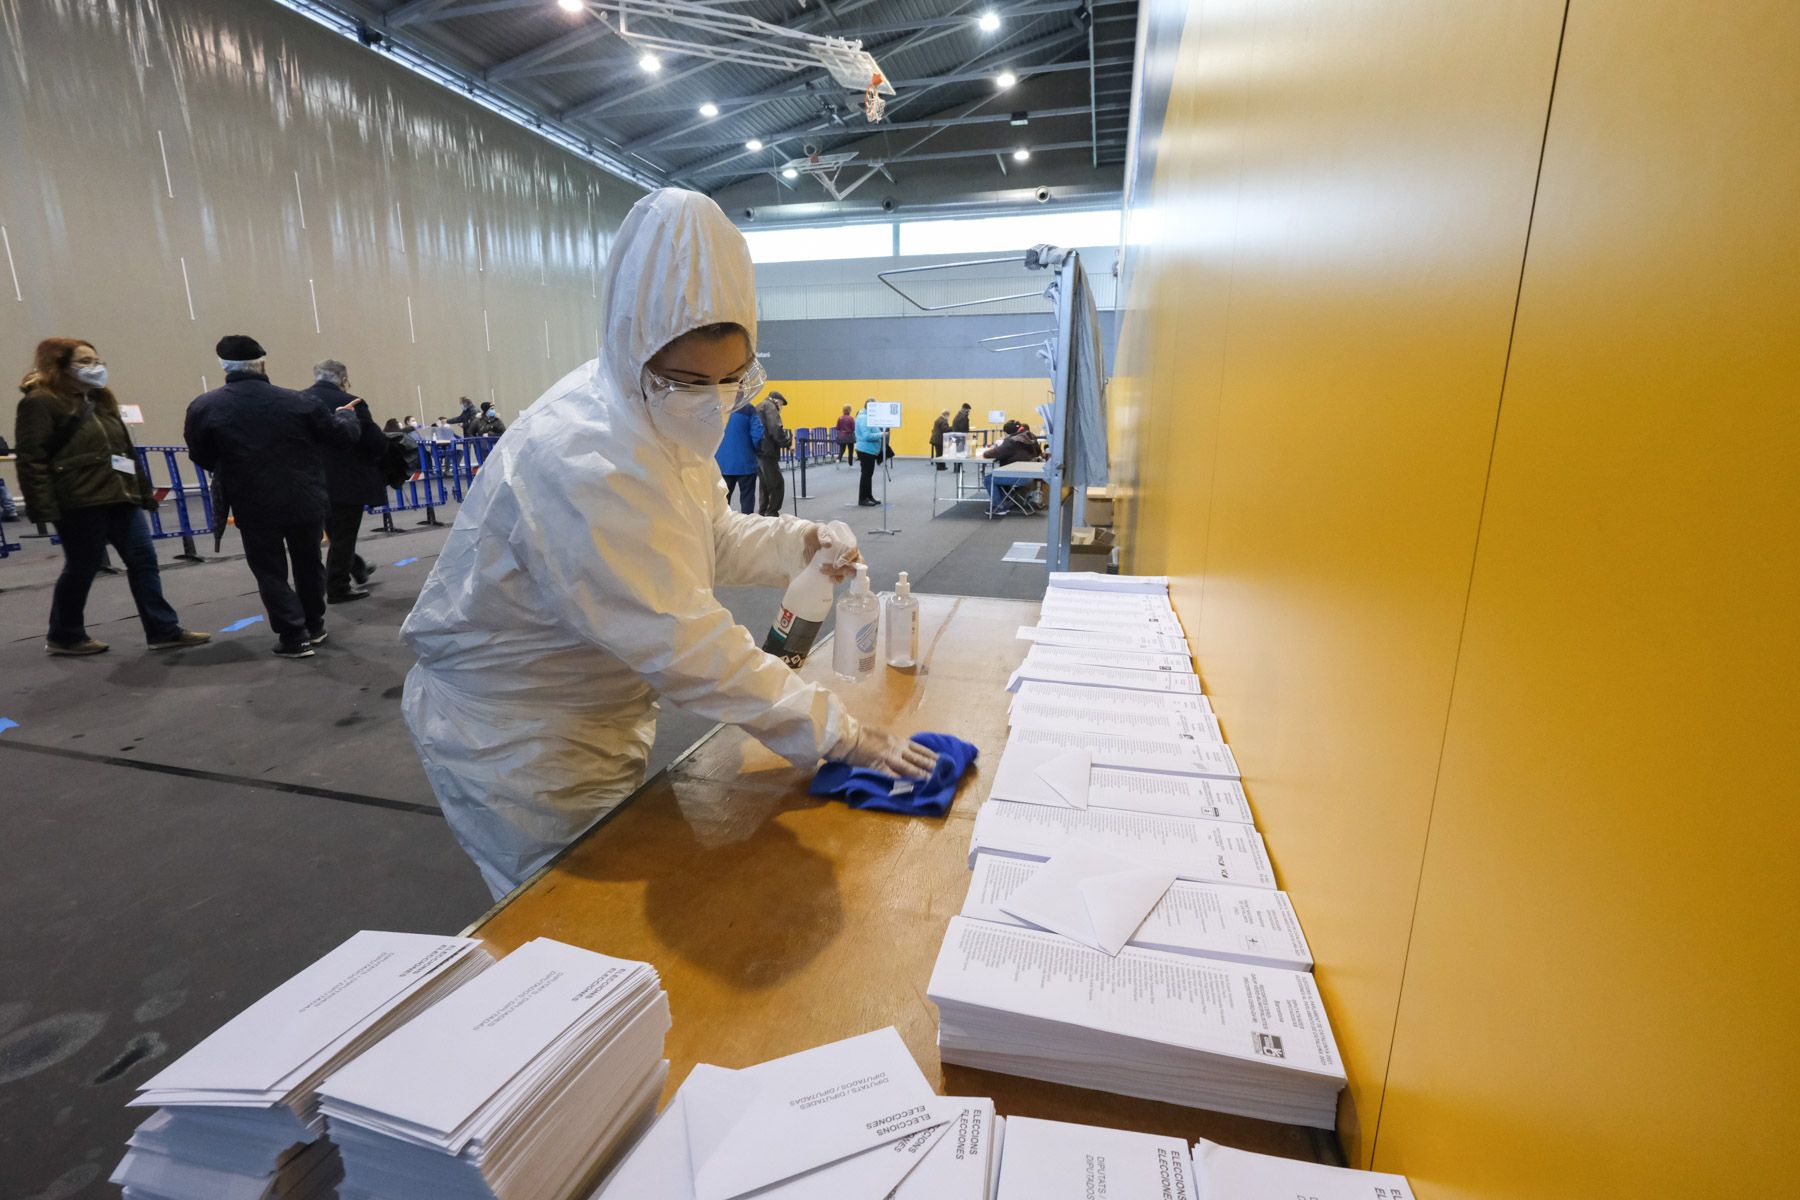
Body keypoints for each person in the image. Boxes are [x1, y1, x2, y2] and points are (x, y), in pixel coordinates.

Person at [399, 188, 938, 898]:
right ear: (633, 350)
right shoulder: (586, 459)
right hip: (523, 737)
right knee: (567, 925)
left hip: (599, 703)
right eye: (687, 380)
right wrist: (838, 733)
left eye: (730, 380)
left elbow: (701, 537)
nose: (712, 401)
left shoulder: (656, 420)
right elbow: (687, 644)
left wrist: (794, 542)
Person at [13, 338, 210, 655]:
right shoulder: (40, 402)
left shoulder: (101, 399)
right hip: (79, 501)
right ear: (59, 365)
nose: (96, 366)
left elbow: (125, 452)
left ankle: (162, 629)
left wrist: (143, 492)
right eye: (85, 361)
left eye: (96, 360)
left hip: (121, 495)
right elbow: (31, 460)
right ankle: (65, 634)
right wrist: (43, 507)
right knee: (82, 566)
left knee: (143, 560)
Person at [185, 335, 360, 658]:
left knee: (269, 570)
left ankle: (293, 636)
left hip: (251, 501)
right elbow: (342, 437)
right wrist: (347, 415)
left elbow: (202, 455)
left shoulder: (205, 406)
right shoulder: (298, 402)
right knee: (309, 563)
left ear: (223, 366)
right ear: (262, 363)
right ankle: (314, 625)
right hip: (303, 498)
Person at [303, 359, 387, 603]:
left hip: (312, 479)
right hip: (346, 479)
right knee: (344, 535)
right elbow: (373, 440)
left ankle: (357, 567)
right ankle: (338, 586)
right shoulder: (351, 402)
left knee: (334, 531)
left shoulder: (299, 401)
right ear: (342, 379)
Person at [980, 419, 1046, 516]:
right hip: (1030, 475)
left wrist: (985, 452)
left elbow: (994, 453)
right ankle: (1005, 501)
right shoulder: (1031, 437)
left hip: (1018, 476)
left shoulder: (1012, 441)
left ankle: (999, 506)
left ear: (1006, 433)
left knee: (989, 479)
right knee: (995, 476)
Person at [714, 390, 762, 514]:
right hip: (745, 463)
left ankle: (723, 528)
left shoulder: (718, 410)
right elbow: (757, 434)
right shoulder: (749, 409)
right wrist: (758, 451)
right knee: (747, 499)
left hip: (722, 464)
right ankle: (746, 527)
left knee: (723, 500)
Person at [754, 390, 791, 516]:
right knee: (777, 484)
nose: (780, 408)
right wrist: (786, 442)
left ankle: (763, 512)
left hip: (758, 451)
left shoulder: (758, 406)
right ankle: (772, 513)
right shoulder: (770, 406)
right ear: (777, 401)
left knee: (764, 485)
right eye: (781, 405)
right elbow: (775, 427)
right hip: (768, 450)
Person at [853, 398, 888, 507]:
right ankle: (863, 499)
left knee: (868, 475)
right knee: (866, 475)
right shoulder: (864, 418)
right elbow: (866, 436)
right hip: (865, 450)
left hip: (870, 450)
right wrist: (881, 435)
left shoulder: (868, 417)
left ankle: (869, 496)